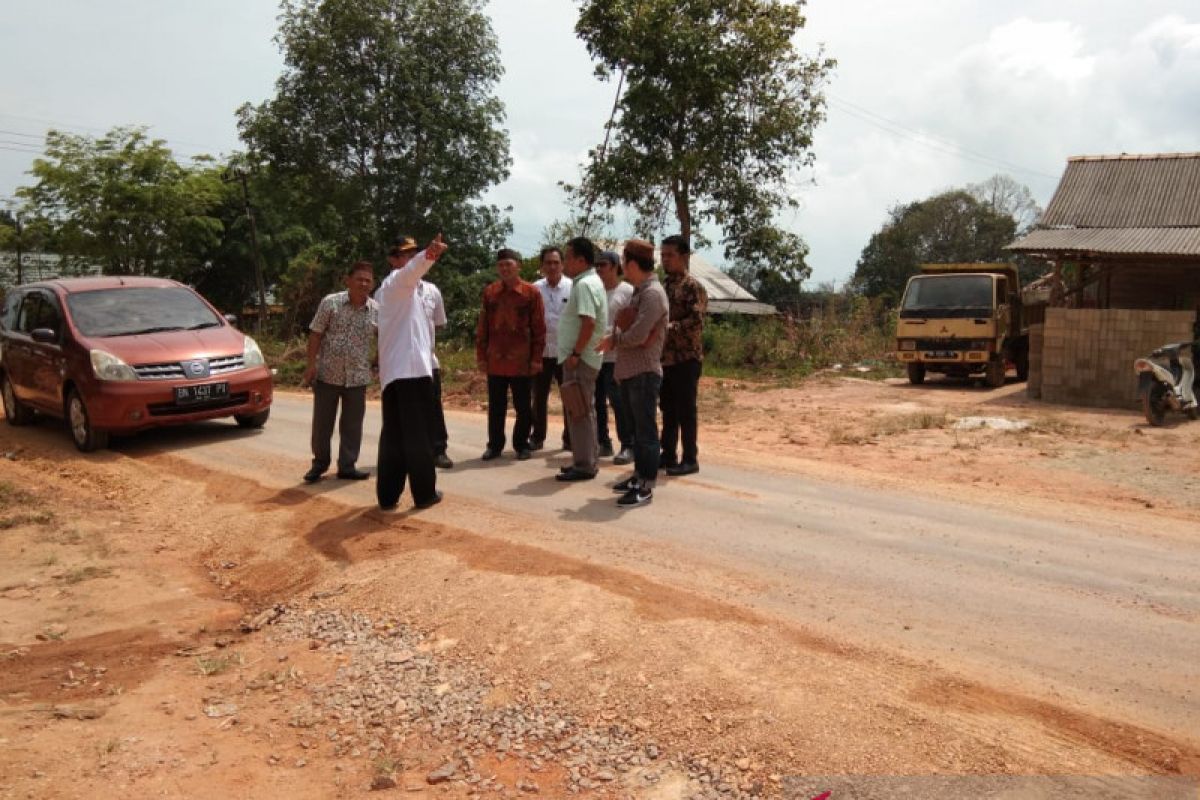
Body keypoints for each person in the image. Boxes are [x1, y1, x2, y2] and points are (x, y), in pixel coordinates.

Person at [376, 234, 449, 511]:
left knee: (394, 437)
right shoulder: (396, 283)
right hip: (409, 372)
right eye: (405, 254)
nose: (410, 259)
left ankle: (388, 496)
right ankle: (424, 493)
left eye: (413, 253)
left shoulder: (418, 290)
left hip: (403, 372)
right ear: (394, 260)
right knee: (418, 436)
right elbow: (411, 271)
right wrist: (429, 254)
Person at [598, 239, 669, 507]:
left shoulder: (652, 294)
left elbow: (639, 335)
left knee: (646, 432)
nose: (622, 267)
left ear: (632, 264)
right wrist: (618, 333)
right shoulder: (641, 291)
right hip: (630, 371)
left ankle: (646, 486)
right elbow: (628, 328)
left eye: (624, 261)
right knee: (638, 431)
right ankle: (638, 475)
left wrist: (615, 338)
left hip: (644, 372)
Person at [302, 260, 378, 484]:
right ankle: (319, 464)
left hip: (358, 377)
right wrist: (310, 365)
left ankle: (347, 465)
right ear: (348, 281)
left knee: (353, 425)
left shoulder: (376, 310)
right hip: (328, 374)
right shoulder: (331, 303)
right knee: (322, 424)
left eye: (368, 280)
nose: (364, 284)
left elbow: (383, 338)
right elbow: (315, 334)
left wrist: (378, 362)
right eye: (359, 279)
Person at [476, 248, 546, 461]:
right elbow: (482, 327)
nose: (505, 269)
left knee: (523, 406)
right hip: (495, 359)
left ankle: (521, 444)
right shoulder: (490, 292)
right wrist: (481, 356)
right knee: (496, 406)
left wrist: (536, 358)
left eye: (509, 264)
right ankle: (494, 445)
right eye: (501, 265)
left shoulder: (531, 293)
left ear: (519, 266)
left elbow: (539, 328)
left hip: (521, 361)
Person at [555, 237, 607, 482]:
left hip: (581, 359)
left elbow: (588, 322)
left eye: (568, 257)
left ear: (581, 260)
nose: (565, 262)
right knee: (584, 410)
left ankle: (584, 464)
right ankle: (585, 459)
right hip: (585, 357)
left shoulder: (584, 285)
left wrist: (575, 354)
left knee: (579, 411)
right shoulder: (591, 281)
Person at [659, 234, 708, 476]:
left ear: (684, 257)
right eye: (663, 255)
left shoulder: (693, 287)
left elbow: (697, 321)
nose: (665, 259)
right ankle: (667, 454)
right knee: (668, 409)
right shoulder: (664, 285)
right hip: (665, 359)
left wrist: (670, 328)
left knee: (686, 410)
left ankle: (690, 458)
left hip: (686, 358)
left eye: (670, 255)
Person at [594, 249, 635, 463]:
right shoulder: (594, 290)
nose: (599, 269)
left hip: (616, 357)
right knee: (596, 401)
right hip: (594, 356)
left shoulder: (627, 291)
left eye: (603, 265)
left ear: (615, 266)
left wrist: (612, 335)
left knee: (618, 402)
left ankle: (628, 444)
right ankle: (603, 442)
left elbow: (632, 322)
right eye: (597, 265)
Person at [531, 246, 572, 451]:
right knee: (539, 396)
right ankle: (537, 437)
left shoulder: (573, 287)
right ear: (542, 266)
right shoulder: (534, 289)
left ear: (563, 264)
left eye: (556, 262)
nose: (552, 266)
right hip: (542, 352)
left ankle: (570, 438)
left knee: (569, 396)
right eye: (548, 262)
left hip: (566, 352)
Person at [418, 278, 453, 469]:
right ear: (394, 260)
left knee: (433, 406)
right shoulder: (388, 289)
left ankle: (439, 450)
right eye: (402, 256)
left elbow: (439, 322)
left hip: (428, 361)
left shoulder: (432, 290)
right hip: (401, 363)